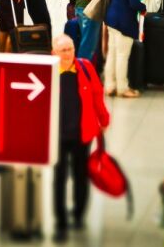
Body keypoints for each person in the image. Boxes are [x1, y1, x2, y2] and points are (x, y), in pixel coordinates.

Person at [51, 35, 109, 243]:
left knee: (81, 174)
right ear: (54, 52)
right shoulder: (49, 72)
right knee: (59, 178)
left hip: (81, 133)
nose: (68, 54)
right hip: (56, 136)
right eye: (63, 50)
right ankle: (60, 223)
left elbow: (96, 95)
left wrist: (104, 119)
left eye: (70, 49)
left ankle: (78, 214)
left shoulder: (84, 68)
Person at [104, 0, 144, 97]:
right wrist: (143, 7)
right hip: (125, 22)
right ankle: (122, 88)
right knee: (122, 56)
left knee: (112, 54)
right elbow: (134, 4)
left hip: (111, 20)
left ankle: (109, 86)